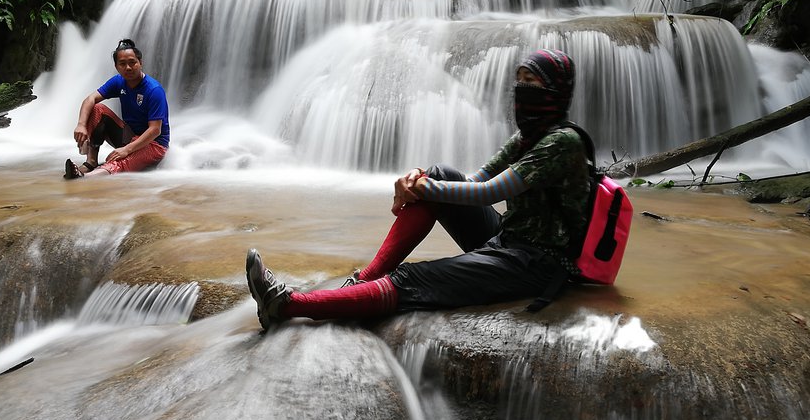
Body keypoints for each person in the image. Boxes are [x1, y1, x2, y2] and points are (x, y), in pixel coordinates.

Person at [246, 49, 594, 330]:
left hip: (539, 263)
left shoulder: (563, 142)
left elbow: (489, 193)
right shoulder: (529, 136)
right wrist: (422, 177)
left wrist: (427, 187)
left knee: (412, 278)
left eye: (531, 82)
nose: (521, 89)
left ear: (555, 91)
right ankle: (366, 279)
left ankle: (286, 306)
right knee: (441, 173)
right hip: (508, 240)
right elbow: (474, 180)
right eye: (519, 81)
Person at [65, 38, 170, 179]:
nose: (128, 67)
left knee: (120, 160)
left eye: (132, 62)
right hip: (130, 135)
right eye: (123, 64)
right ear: (116, 66)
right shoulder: (118, 82)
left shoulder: (154, 90)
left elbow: (155, 130)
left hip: (154, 144)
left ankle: (84, 178)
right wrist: (81, 125)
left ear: (140, 63)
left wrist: (126, 150)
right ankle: (90, 162)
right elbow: (90, 99)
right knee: (97, 109)